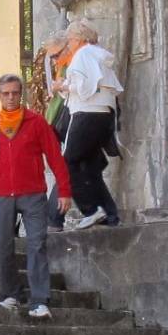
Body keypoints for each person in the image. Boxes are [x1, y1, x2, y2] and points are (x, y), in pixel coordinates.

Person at [0, 73, 71, 318]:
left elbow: (55, 157)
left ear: (22, 94)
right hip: (1, 194)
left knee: (37, 244)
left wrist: (64, 190)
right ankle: (10, 294)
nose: (10, 97)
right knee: (2, 248)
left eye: (15, 93)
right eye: (5, 93)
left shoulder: (37, 122)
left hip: (33, 193)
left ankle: (40, 300)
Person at [54, 19, 123, 229]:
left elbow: (84, 87)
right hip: (103, 115)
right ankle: (110, 215)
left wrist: (62, 85)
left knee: (68, 163)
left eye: (71, 39)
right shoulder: (98, 54)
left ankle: (91, 210)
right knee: (91, 167)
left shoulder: (83, 54)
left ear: (80, 39)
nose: (70, 43)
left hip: (87, 114)